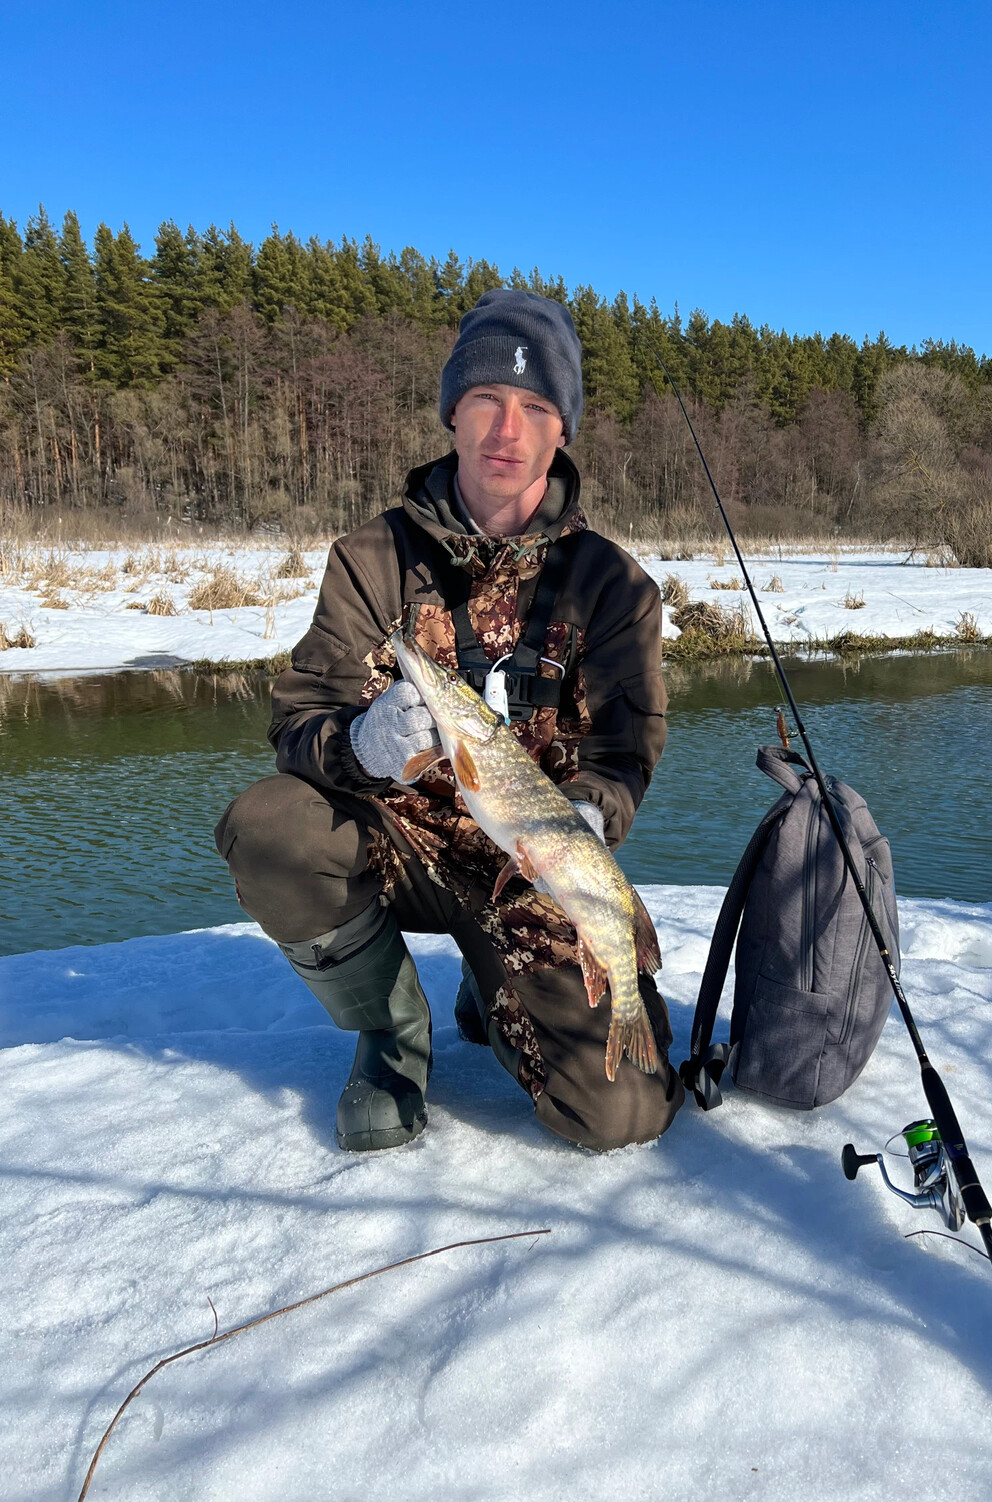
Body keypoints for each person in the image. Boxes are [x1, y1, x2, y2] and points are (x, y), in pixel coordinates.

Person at [216, 289, 683, 1153]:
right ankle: (390, 1032)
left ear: (562, 430)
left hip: (530, 865)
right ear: (454, 415)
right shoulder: (371, 559)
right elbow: (299, 718)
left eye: (535, 406)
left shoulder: (615, 588)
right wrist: (359, 747)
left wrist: (588, 814)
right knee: (268, 827)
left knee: (622, 1115)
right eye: (487, 402)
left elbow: (626, 750)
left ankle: (495, 984)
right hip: (395, 841)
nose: (507, 429)